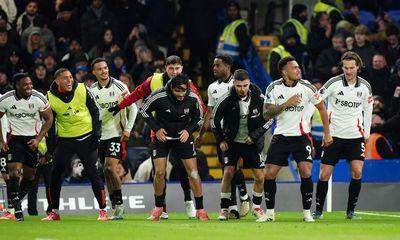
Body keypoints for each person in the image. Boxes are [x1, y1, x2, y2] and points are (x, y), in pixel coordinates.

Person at [109, 55, 205, 219]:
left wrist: (192, 130)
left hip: (182, 133)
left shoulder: (188, 85)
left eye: (177, 68)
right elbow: (136, 94)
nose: (174, 72)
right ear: (165, 68)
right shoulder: (154, 82)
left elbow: (199, 108)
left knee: (183, 169)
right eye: (171, 68)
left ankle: (189, 201)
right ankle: (161, 207)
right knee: (159, 172)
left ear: (182, 68)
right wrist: (119, 106)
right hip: (159, 132)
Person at [263, 56, 332, 222]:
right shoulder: (273, 88)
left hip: (302, 137)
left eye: (298, 67)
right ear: (284, 72)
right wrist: (287, 103)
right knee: (269, 173)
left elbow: (322, 108)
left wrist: (327, 133)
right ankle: (270, 213)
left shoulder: (307, 87)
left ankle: (307, 213)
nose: (298, 70)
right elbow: (266, 114)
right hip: (280, 136)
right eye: (294, 68)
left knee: (306, 172)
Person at [312, 51, 373, 220]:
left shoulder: (365, 86)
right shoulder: (333, 83)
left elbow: (368, 111)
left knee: (357, 172)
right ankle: (318, 211)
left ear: (358, 67)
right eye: (345, 68)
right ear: (342, 67)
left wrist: (366, 134)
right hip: (334, 136)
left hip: (355, 135)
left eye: (352, 68)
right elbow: (316, 100)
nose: (348, 71)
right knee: (324, 174)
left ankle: (350, 211)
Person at [140, 73, 209, 221]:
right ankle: (158, 207)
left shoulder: (192, 98)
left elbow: (199, 117)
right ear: (171, 87)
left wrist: (189, 131)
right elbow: (144, 110)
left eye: (184, 90)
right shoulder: (159, 95)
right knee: (159, 173)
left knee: (194, 173)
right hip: (162, 137)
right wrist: (156, 129)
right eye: (178, 90)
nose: (181, 94)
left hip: (182, 138)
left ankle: (200, 209)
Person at [42, 68, 108, 221]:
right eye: (65, 78)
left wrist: (96, 136)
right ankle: (54, 212)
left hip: (87, 138)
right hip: (65, 140)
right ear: (57, 81)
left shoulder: (83, 89)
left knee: (93, 174)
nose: (69, 81)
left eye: (71, 77)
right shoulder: (49, 97)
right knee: (55, 175)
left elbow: (96, 112)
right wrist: (52, 147)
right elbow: (50, 123)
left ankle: (103, 211)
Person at [211, 69, 273, 222]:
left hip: (252, 143)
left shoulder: (259, 98)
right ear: (234, 84)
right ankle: (224, 209)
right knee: (228, 173)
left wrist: (254, 136)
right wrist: (221, 140)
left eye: (245, 85)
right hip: (232, 143)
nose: (242, 89)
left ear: (249, 83)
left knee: (260, 177)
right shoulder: (225, 99)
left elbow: (269, 120)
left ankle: (257, 208)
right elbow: (214, 120)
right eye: (239, 86)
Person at [195, 54, 250, 218]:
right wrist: (201, 134)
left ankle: (244, 198)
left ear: (227, 66)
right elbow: (210, 112)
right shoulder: (212, 88)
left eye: (217, 65)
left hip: (239, 133)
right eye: (213, 65)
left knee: (232, 168)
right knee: (227, 170)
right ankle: (233, 206)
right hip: (222, 134)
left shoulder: (239, 84)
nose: (214, 68)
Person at [0, 73, 53, 221]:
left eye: (30, 84)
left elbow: (49, 119)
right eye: (26, 84)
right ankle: (16, 208)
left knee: (30, 177)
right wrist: (1, 141)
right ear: (17, 86)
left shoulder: (38, 98)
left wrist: (38, 139)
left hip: (32, 141)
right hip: (14, 139)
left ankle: (15, 201)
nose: (29, 87)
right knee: (14, 172)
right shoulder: (5, 99)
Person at [90, 58, 137, 220]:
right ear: (94, 72)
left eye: (105, 68)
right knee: (105, 170)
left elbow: (134, 108)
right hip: (100, 137)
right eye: (100, 69)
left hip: (116, 134)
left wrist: (128, 129)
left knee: (110, 168)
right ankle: (114, 205)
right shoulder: (92, 90)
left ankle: (120, 205)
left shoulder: (119, 86)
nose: (104, 71)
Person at [216, 1, 249, 70]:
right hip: (224, 62)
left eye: (234, 10)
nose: (232, 12)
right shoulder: (227, 25)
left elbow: (244, 45)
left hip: (234, 63)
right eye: (230, 10)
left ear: (238, 11)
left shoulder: (240, 25)